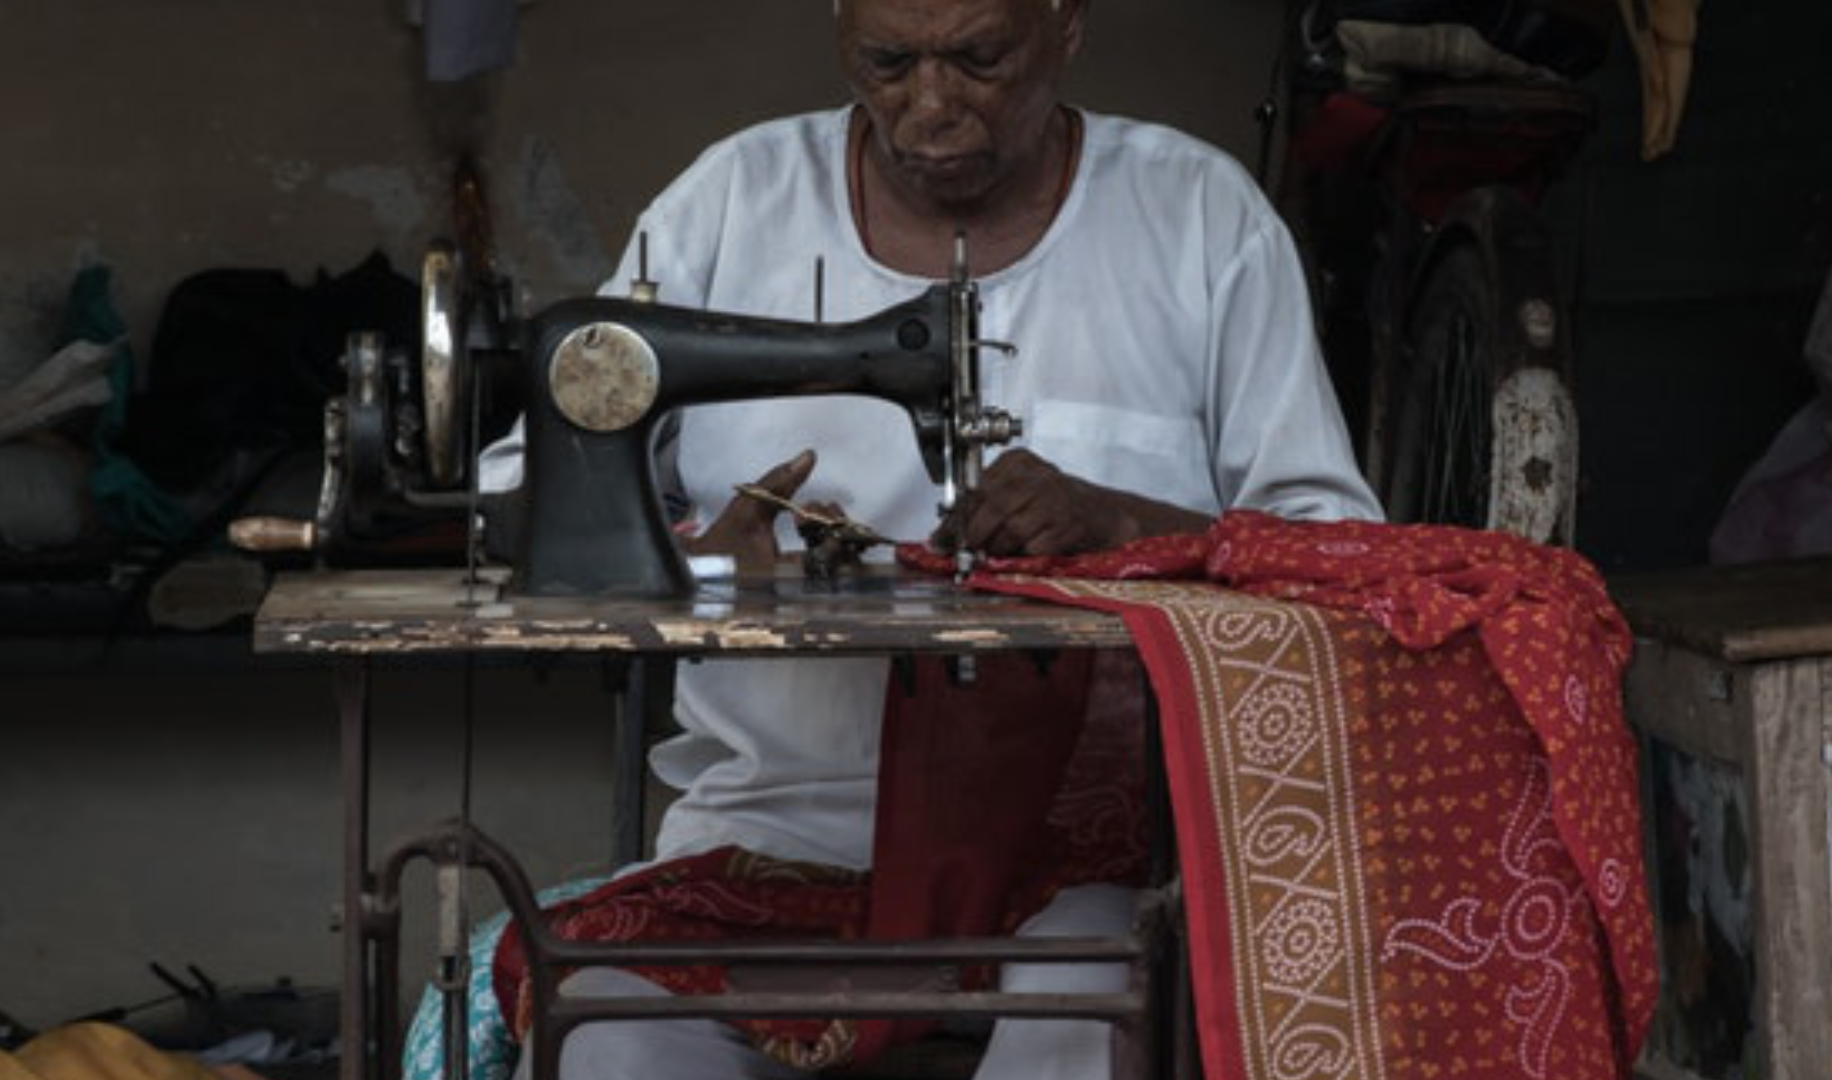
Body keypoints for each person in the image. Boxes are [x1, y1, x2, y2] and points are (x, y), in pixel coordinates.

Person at [445, 0, 1382, 1077]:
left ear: (1066, 25)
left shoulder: (1199, 216)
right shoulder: (735, 201)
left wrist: (1129, 526)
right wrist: (691, 558)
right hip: (770, 839)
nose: (931, 106)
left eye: (980, 58)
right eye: (889, 62)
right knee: (604, 1037)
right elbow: (521, 493)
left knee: (1097, 990)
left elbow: (1337, 554)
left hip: (1099, 854)